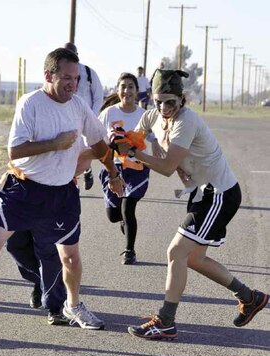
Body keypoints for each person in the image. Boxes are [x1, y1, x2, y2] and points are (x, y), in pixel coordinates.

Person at [0, 47, 123, 335]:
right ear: (48, 75)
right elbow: (15, 150)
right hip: (24, 190)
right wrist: (54, 144)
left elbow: (99, 144)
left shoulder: (78, 106)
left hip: (61, 195)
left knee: (70, 257)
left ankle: (73, 305)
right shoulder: (30, 104)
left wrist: (114, 174)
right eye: (66, 78)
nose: (73, 84)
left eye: (76, 79)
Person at [124, 69, 268, 340]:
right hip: (202, 191)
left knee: (175, 252)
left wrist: (134, 152)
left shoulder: (186, 121)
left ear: (183, 99)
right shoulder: (151, 115)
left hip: (219, 193)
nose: (164, 108)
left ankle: (166, 321)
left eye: (170, 102)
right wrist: (121, 139)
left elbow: (165, 166)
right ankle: (250, 298)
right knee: (193, 258)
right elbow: (134, 137)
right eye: (158, 101)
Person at [98, 72, 159, 265]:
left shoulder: (144, 115)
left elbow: (153, 136)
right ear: (118, 90)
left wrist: (158, 145)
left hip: (137, 168)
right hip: (113, 167)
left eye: (131, 87)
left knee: (128, 206)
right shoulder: (109, 113)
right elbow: (95, 135)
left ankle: (129, 250)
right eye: (123, 87)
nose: (127, 91)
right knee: (113, 215)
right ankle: (124, 221)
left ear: (137, 90)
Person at [64, 42, 103, 191]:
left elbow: (98, 96)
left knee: (84, 151)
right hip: (67, 121)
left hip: (86, 120)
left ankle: (86, 171)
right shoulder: (59, 75)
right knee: (69, 154)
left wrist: (91, 117)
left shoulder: (89, 73)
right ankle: (72, 186)